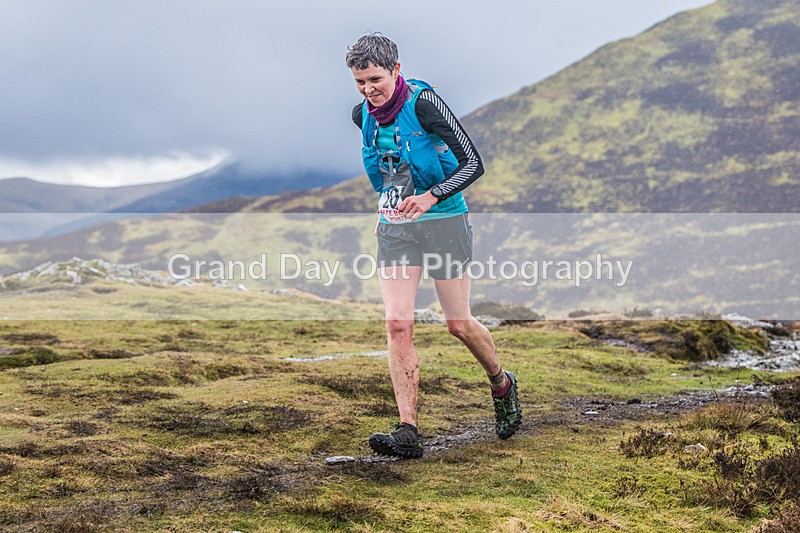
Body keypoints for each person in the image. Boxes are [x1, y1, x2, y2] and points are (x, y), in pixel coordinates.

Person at [346, 33, 521, 459]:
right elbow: (389, 171)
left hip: (444, 222)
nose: (368, 90)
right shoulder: (361, 115)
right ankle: (408, 430)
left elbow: (474, 164)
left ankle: (501, 382)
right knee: (397, 323)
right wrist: (386, 210)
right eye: (359, 82)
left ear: (396, 70)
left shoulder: (424, 104)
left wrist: (430, 197)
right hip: (397, 229)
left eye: (375, 79)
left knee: (457, 325)